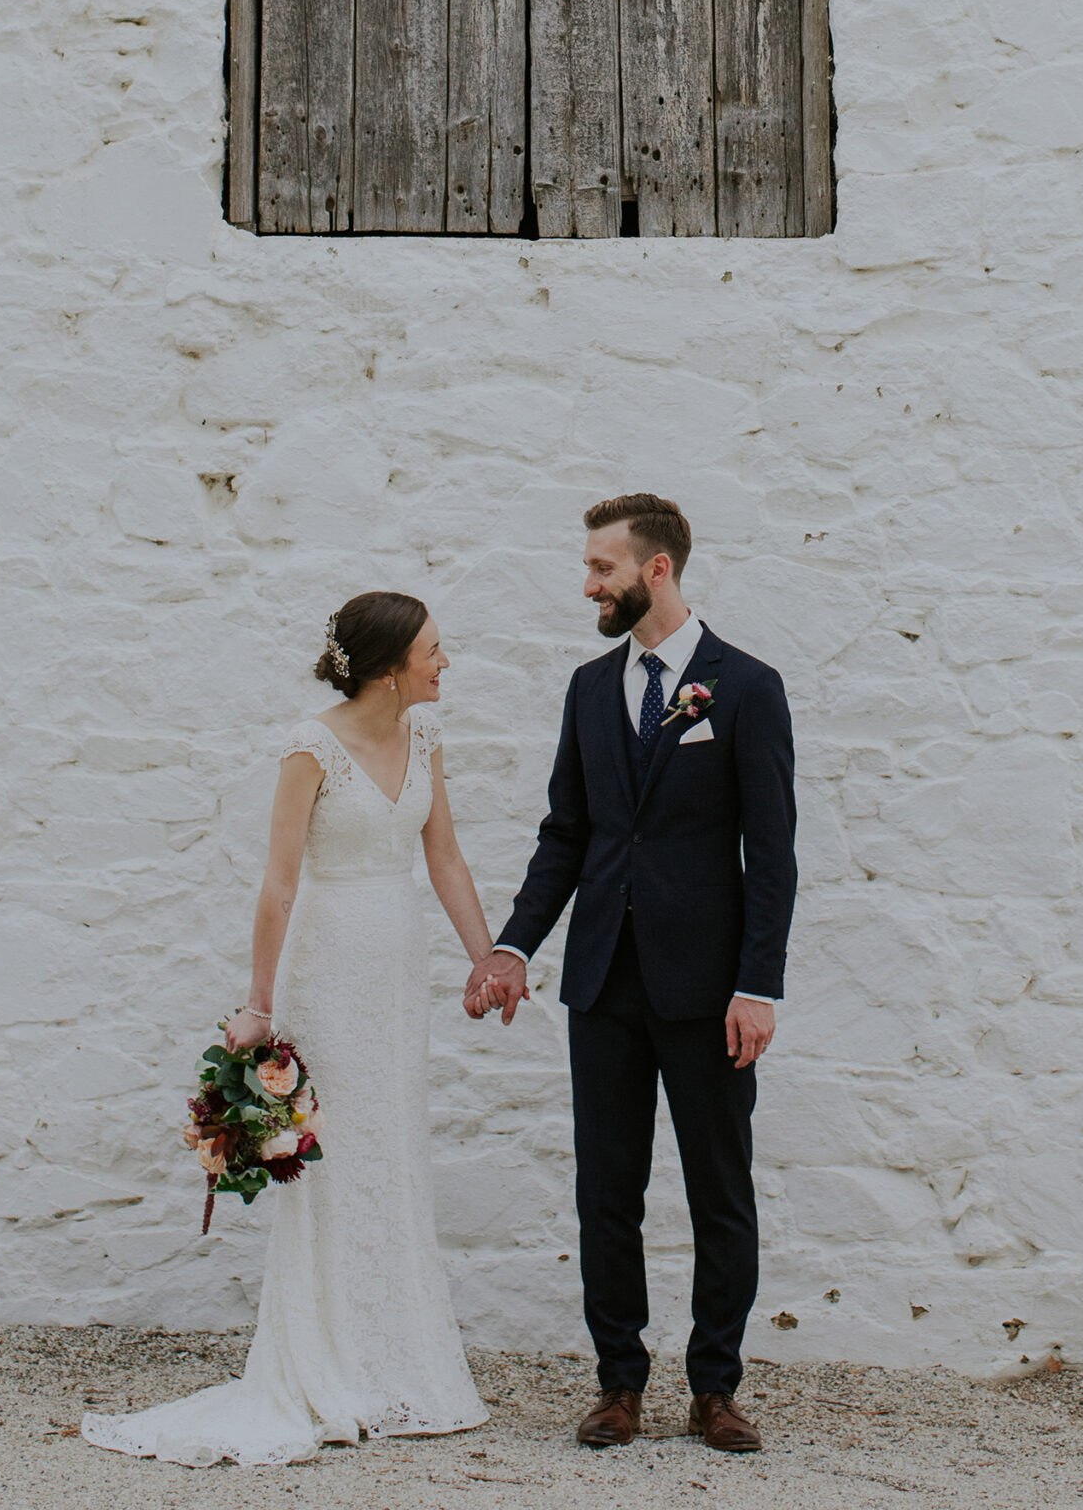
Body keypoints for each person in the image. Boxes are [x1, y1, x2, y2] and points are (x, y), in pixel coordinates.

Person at [83, 592, 494, 1468]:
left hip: (395, 966)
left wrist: (485, 957)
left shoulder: (424, 738)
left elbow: (445, 854)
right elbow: (276, 885)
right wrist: (260, 1007)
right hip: (328, 964)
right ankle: (324, 1364)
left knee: (392, 1152)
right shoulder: (310, 748)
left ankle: (399, 1363)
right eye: (433, 650)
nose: (445, 663)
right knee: (333, 1159)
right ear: (389, 668)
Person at [464, 494, 797, 1456]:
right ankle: (618, 1383)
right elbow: (567, 833)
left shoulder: (746, 688)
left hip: (709, 993)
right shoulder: (587, 686)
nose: (587, 584)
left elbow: (769, 853)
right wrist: (515, 947)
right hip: (602, 983)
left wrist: (758, 986)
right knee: (606, 1191)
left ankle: (715, 1388)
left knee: (717, 1191)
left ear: (656, 569)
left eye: (601, 568)